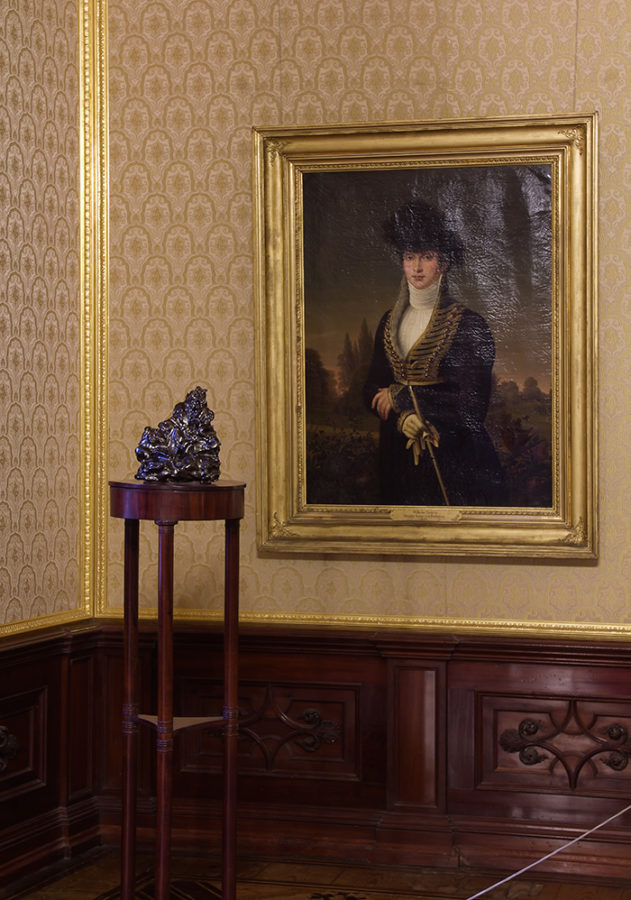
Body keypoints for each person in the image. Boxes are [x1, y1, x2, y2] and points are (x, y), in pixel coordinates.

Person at [363, 200, 505, 506]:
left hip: (453, 454)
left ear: (444, 263)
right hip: (396, 454)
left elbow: (471, 407)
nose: (416, 267)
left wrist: (402, 397)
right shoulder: (388, 322)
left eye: (426, 257)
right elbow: (370, 391)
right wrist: (402, 420)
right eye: (409, 257)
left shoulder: (469, 324)